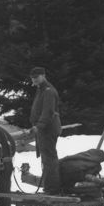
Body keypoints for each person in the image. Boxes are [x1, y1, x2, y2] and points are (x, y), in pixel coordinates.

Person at [29, 66, 62, 194]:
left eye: (36, 77)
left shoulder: (48, 91)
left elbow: (48, 112)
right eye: (32, 78)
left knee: (49, 159)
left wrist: (39, 126)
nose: (34, 80)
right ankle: (49, 187)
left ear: (43, 75)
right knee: (47, 158)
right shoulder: (41, 90)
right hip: (44, 129)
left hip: (48, 129)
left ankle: (52, 189)